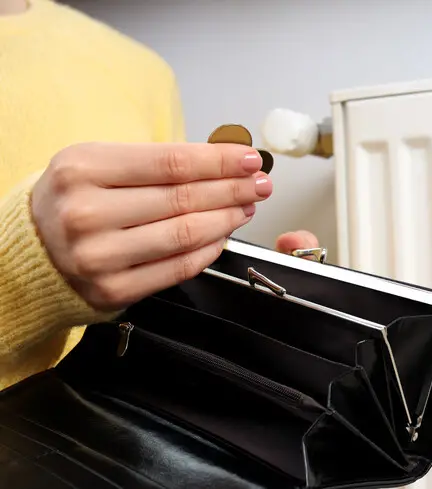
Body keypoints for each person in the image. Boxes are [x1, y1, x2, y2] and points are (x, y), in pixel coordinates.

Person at [0, 0, 319, 390]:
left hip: (119, 413)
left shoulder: (144, 70)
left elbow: (158, 305)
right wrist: (20, 275)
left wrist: (240, 304)